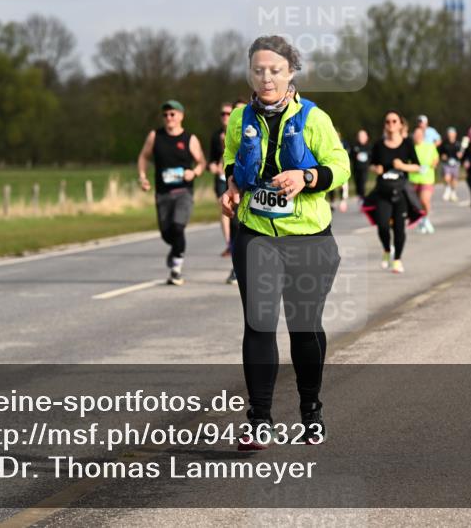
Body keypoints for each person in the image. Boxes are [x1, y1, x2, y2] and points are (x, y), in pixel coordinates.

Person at [220, 35, 350, 449]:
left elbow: (340, 167)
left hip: (308, 238)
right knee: (258, 324)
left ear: (291, 72)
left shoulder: (314, 118)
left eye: (275, 70)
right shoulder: (241, 118)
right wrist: (230, 187)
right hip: (255, 234)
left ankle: (311, 409)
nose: (266, 77)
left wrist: (306, 177)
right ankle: (259, 419)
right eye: (258, 70)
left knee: (303, 328)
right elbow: (231, 159)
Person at [137, 100, 206, 286]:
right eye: (166, 115)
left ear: (181, 116)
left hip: (183, 191)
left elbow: (201, 162)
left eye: (173, 114)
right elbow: (143, 156)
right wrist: (142, 177)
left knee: (178, 227)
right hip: (162, 193)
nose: (169, 118)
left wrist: (195, 172)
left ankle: (176, 269)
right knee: (167, 234)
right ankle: (175, 249)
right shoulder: (155, 136)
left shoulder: (189, 139)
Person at [363, 111, 423, 274]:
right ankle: (386, 250)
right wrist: (377, 168)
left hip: (401, 191)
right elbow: (371, 165)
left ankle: (397, 260)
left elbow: (417, 166)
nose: (391, 124)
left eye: (394, 121)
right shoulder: (378, 145)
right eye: (387, 121)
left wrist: (403, 166)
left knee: (398, 228)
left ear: (400, 125)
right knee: (382, 225)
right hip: (383, 191)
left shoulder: (407, 144)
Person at [208, 103, 239, 284]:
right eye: (223, 114)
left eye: (229, 113)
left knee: (239, 223)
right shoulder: (215, 135)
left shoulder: (244, 130)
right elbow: (210, 160)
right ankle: (229, 243)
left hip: (240, 182)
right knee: (226, 211)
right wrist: (213, 166)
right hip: (222, 180)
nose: (225, 116)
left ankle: (239, 263)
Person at [409, 126, 440, 234]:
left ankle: (426, 219)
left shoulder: (430, 146)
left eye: (419, 134)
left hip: (427, 178)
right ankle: (420, 220)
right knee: (416, 203)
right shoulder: (410, 147)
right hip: (414, 178)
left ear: (423, 136)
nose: (417, 137)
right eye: (415, 135)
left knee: (424, 200)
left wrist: (433, 164)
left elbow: (436, 158)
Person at [438, 126, 462, 202]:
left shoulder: (458, 144)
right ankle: (448, 188)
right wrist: (442, 156)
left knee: (454, 179)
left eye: (452, 134)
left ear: (455, 134)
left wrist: (460, 155)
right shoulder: (444, 143)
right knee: (447, 177)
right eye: (449, 134)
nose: (451, 135)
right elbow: (440, 153)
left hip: (455, 163)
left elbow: (462, 154)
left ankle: (453, 192)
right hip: (446, 163)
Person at [348, 129, 372, 202]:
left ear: (366, 137)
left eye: (363, 136)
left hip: (365, 169)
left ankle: (363, 197)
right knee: (357, 183)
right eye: (360, 136)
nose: (361, 138)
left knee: (363, 182)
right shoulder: (354, 146)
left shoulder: (369, 147)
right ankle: (359, 196)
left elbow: (372, 157)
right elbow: (350, 156)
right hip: (356, 168)